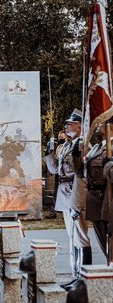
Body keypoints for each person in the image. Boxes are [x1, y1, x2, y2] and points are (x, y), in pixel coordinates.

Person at [45, 109, 91, 289]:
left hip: (75, 193)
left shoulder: (83, 145)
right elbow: (55, 170)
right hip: (65, 193)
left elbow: (82, 174)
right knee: (72, 236)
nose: (66, 126)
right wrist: (49, 152)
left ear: (79, 126)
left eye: (70, 124)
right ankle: (75, 275)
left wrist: (78, 200)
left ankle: (84, 279)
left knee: (81, 236)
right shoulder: (66, 146)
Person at [81, 120, 113, 265]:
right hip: (95, 201)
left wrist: (109, 163)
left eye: (101, 123)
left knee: (111, 246)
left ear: (110, 127)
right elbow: (84, 172)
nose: (97, 124)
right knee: (104, 246)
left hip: (108, 201)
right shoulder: (97, 148)